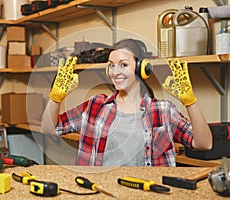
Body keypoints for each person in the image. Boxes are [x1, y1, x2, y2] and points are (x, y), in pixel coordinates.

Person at [41, 38, 212, 166]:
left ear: (141, 68)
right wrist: (55, 99)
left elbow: (204, 143)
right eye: (112, 65)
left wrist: (191, 102)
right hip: (99, 192)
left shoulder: (162, 110)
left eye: (123, 65)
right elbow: (49, 130)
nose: (116, 72)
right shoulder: (96, 105)